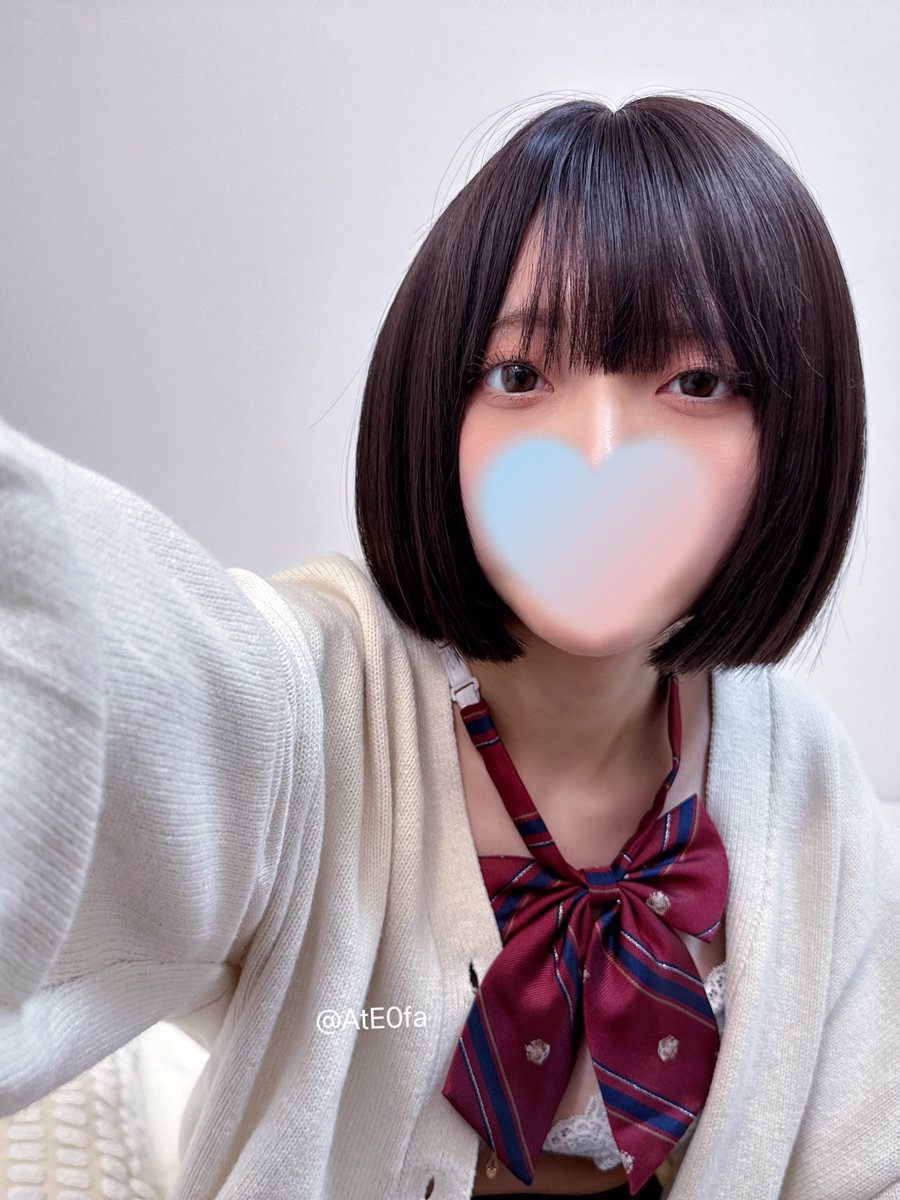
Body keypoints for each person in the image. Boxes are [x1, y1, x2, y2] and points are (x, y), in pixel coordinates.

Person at [0, 94, 897, 1200]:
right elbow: (122, 674)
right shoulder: (312, 706)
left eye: (696, 383)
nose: (598, 454)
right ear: (438, 403)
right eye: (520, 375)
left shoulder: (803, 779)